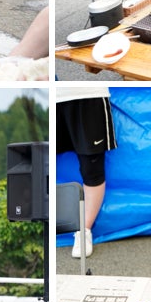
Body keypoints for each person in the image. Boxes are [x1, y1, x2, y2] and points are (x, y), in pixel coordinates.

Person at [56, 87, 116, 259]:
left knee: (92, 167)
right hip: (47, 97)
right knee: (40, 161)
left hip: (86, 94)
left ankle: (84, 230)